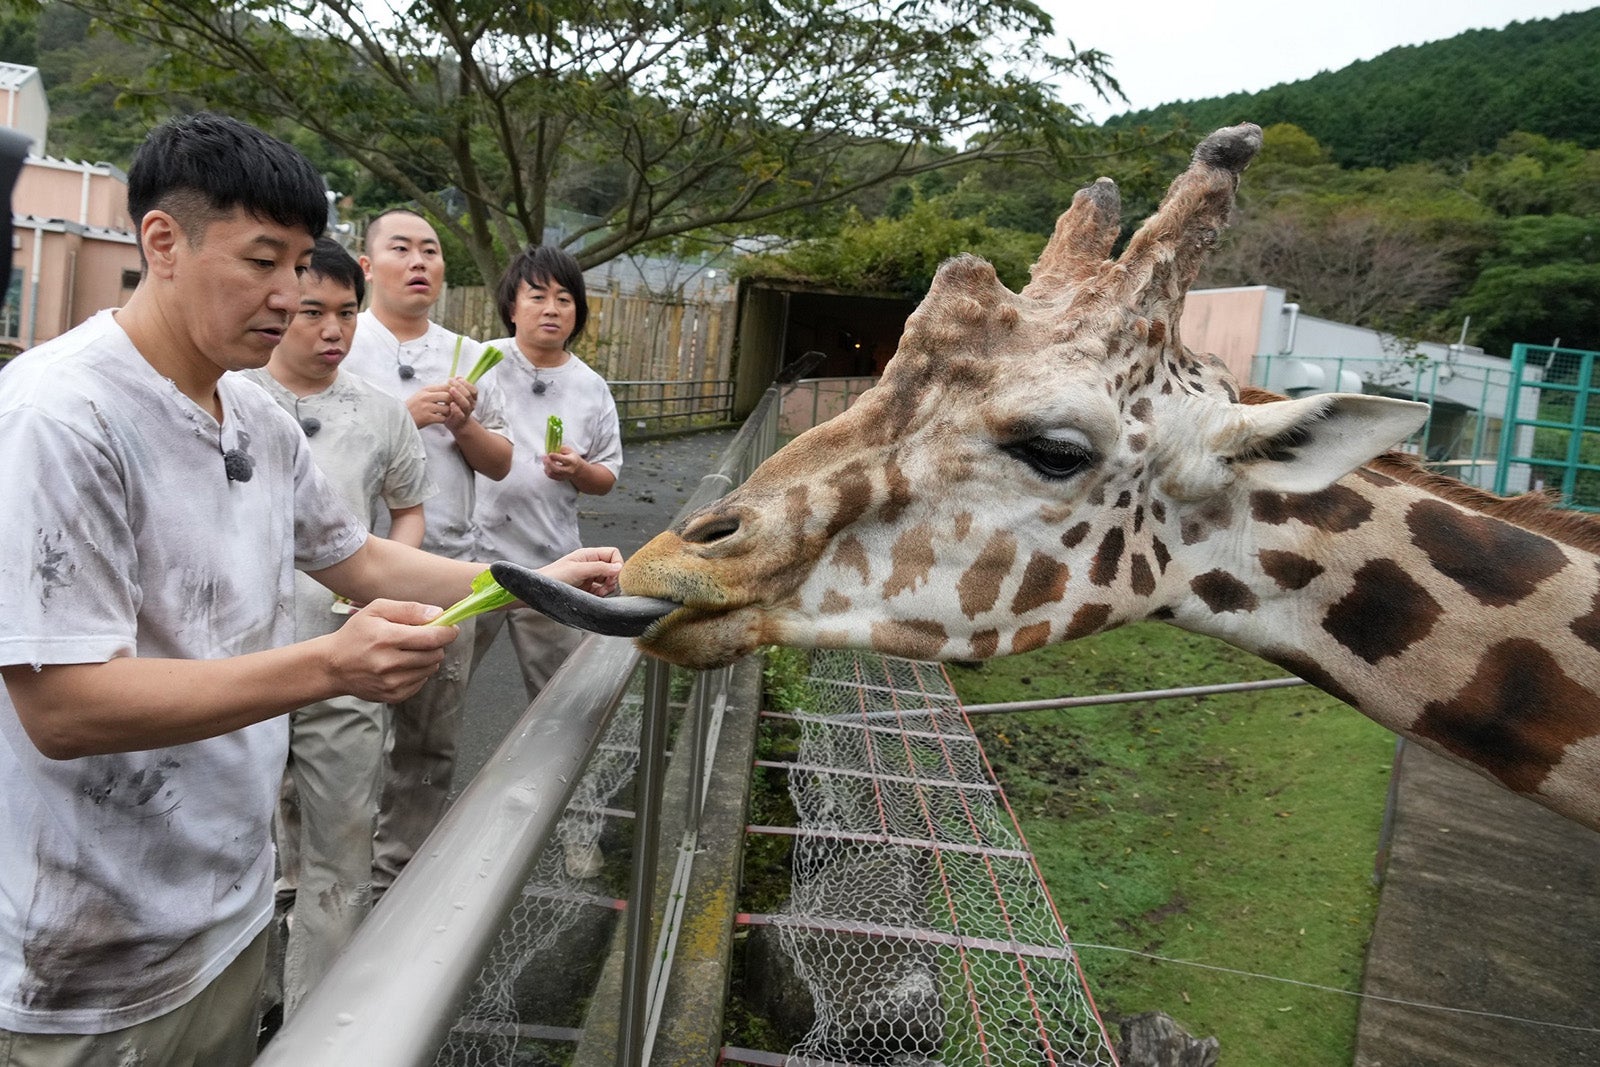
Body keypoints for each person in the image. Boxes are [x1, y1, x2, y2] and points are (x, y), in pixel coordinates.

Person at [0, 112, 620, 1066]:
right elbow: (64, 706)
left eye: (301, 264)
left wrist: (528, 581)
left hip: (231, 913)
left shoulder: (253, 412)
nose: (292, 297)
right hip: (88, 964)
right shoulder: (63, 418)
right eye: (263, 262)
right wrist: (331, 663)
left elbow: (359, 560)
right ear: (162, 241)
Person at [239, 237, 435, 1017]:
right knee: (240, 847)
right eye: (314, 310)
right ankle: (243, 999)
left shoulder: (380, 413)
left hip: (346, 658)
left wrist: (377, 599)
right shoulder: (230, 395)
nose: (332, 329)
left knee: (342, 848)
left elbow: (406, 510)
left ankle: (315, 1021)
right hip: (237, 669)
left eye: (347, 313)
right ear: (282, 303)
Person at [339, 208, 514, 896]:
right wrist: (401, 416)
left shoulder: (470, 354)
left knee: (429, 738)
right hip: (344, 571)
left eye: (432, 251)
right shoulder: (339, 342)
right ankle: (320, 875)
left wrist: (465, 423)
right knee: (333, 732)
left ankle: (395, 877)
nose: (419, 261)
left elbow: (500, 462)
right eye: (402, 248)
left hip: (447, 572)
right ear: (367, 265)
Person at [472, 246, 622, 704]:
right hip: (472, 559)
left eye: (564, 298)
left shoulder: (591, 387)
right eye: (537, 296)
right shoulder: (482, 364)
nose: (552, 309)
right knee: (440, 687)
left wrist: (578, 470)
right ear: (512, 308)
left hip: (553, 560)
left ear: (577, 312)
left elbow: (607, 476)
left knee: (558, 697)